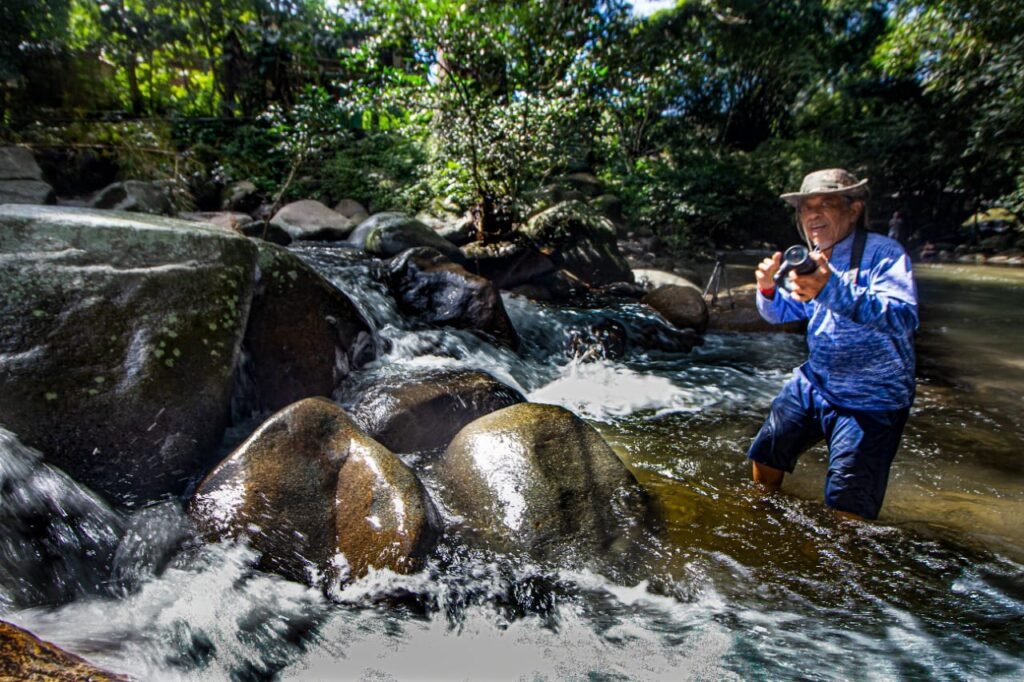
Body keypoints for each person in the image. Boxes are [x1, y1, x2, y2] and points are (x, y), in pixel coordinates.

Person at [748, 168, 918, 521]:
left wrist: (832, 289)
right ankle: (760, 512)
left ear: (853, 209)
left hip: (872, 396)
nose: (813, 215)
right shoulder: (814, 257)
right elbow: (783, 311)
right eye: (806, 207)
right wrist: (766, 289)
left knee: (847, 504)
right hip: (816, 381)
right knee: (766, 451)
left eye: (825, 204)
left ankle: (843, 563)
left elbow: (904, 316)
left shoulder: (884, 253)